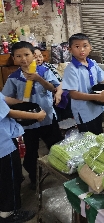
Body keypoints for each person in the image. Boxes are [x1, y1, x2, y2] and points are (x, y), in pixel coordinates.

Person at [2, 41, 63, 189]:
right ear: (14, 58)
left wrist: (38, 79)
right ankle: (34, 177)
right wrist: (21, 103)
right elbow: (5, 98)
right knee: (30, 152)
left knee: (56, 145)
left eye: (27, 54)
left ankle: (62, 170)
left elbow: (53, 88)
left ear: (33, 55)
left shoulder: (43, 71)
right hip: (28, 122)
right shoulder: (13, 77)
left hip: (47, 117)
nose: (23, 59)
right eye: (19, 56)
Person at [62, 33, 104, 135]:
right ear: (70, 49)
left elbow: (100, 80)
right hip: (84, 112)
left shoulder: (92, 63)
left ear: (90, 48)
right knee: (89, 138)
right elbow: (73, 94)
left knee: (98, 133)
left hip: (97, 108)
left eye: (85, 46)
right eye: (77, 46)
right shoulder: (71, 69)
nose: (82, 49)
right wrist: (97, 97)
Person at [0, 92, 46, 223]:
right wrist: (37, 115)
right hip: (3, 145)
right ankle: (8, 213)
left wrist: (22, 101)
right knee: (10, 178)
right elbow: (9, 113)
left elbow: (3, 99)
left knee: (5, 176)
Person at [34, 48, 73, 121]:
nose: (39, 59)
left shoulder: (48, 66)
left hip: (56, 90)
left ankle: (68, 123)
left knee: (67, 96)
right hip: (43, 95)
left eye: (40, 56)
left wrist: (58, 93)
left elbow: (60, 82)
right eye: (35, 57)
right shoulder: (28, 71)